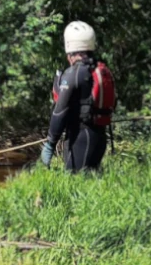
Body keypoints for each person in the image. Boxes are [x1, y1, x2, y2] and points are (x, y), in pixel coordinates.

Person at [39, 21, 116, 173]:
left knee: (76, 184)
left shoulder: (75, 73)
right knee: (90, 184)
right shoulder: (99, 68)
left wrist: (50, 144)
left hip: (81, 137)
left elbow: (59, 111)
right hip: (99, 136)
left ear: (70, 46)